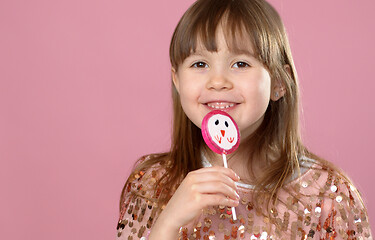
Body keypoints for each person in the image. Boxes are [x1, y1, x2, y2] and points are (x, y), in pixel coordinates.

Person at [116, 0, 372, 239]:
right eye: (199, 64)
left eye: (240, 64)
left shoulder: (327, 195)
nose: (218, 82)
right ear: (177, 80)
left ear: (279, 83)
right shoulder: (151, 184)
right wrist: (168, 224)